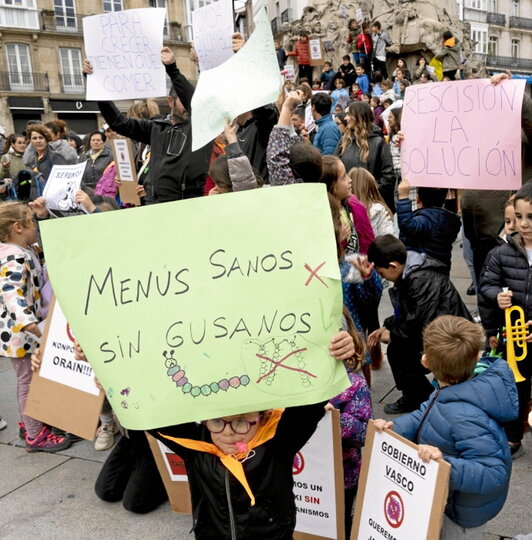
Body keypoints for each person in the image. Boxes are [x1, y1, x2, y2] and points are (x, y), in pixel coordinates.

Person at [149, 330, 356, 540]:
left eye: (240, 421)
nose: (228, 432)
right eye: (217, 421)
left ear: (262, 417)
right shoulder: (195, 446)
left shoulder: (278, 445)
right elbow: (144, 417)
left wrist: (334, 354)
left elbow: (311, 403)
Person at [374, 315, 518, 540]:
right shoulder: (450, 389)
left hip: (461, 515)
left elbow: (493, 473)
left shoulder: (465, 416)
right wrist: (394, 429)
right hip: (447, 500)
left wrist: (444, 464)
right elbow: (425, 413)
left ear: (425, 361)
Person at [84, 47, 212, 204]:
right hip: (153, 205)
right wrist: (97, 87)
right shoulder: (156, 127)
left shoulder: (201, 128)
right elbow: (119, 123)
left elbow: (194, 103)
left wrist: (172, 68)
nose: (189, 104)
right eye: (182, 99)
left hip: (187, 206)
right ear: (170, 101)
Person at [367, 235, 472, 413]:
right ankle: (419, 396)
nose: (381, 277)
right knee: (397, 350)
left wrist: (392, 334)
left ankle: (421, 398)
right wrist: (388, 326)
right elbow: (409, 314)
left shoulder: (420, 279)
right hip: (441, 330)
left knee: (398, 351)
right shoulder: (410, 270)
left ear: (393, 266)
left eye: (381, 272)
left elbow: (416, 324)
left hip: (453, 338)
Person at [0, 201, 71, 452]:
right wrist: (28, 322)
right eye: (32, 222)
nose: (35, 229)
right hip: (20, 333)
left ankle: (30, 422)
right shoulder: (13, 257)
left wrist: (43, 215)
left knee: (31, 378)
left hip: (24, 331)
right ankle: (34, 434)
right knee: (27, 381)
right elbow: (11, 292)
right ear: (17, 227)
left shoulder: (25, 249)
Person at [479, 182, 532, 459]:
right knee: (515, 387)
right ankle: (513, 437)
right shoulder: (501, 252)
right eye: (519, 217)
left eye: (530, 217)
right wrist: (496, 295)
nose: (523, 224)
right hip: (512, 336)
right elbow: (486, 285)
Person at [335, 101, 396, 213]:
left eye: (349, 115)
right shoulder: (343, 142)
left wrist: (369, 194)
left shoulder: (378, 143)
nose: (346, 118)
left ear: (359, 116)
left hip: (372, 207)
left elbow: (388, 176)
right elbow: (335, 169)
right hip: (348, 205)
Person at [396, 178, 461, 274]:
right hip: (440, 272)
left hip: (422, 274)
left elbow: (407, 225)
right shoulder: (446, 219)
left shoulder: (426, 220)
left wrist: (403, 197)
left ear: (418, 199)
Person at [320, 155, 375, 255]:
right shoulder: (323, 217)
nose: (350, 180)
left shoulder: (355, 207)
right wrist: (337, 242)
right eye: (344, 177)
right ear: (333, 186)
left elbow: (368, 244)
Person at [267, 90, 323, 186]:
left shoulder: (291, 190)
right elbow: (295, 146)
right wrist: (283, 111)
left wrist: (287, 108)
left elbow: (276, 158)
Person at [349, 167, 394, 238]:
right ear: (371, 187)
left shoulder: (344, 210)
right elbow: (390, 239)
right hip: (378, 247)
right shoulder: (380, 210)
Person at [0, 134, 27, 198]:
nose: (22, 145)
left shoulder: (29, 156)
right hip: (14, 193)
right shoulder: (6, 157)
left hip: (29, 190)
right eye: (19, 143)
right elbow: (1, 177)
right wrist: (5, 168)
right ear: (13, 144)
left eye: (24, 143)